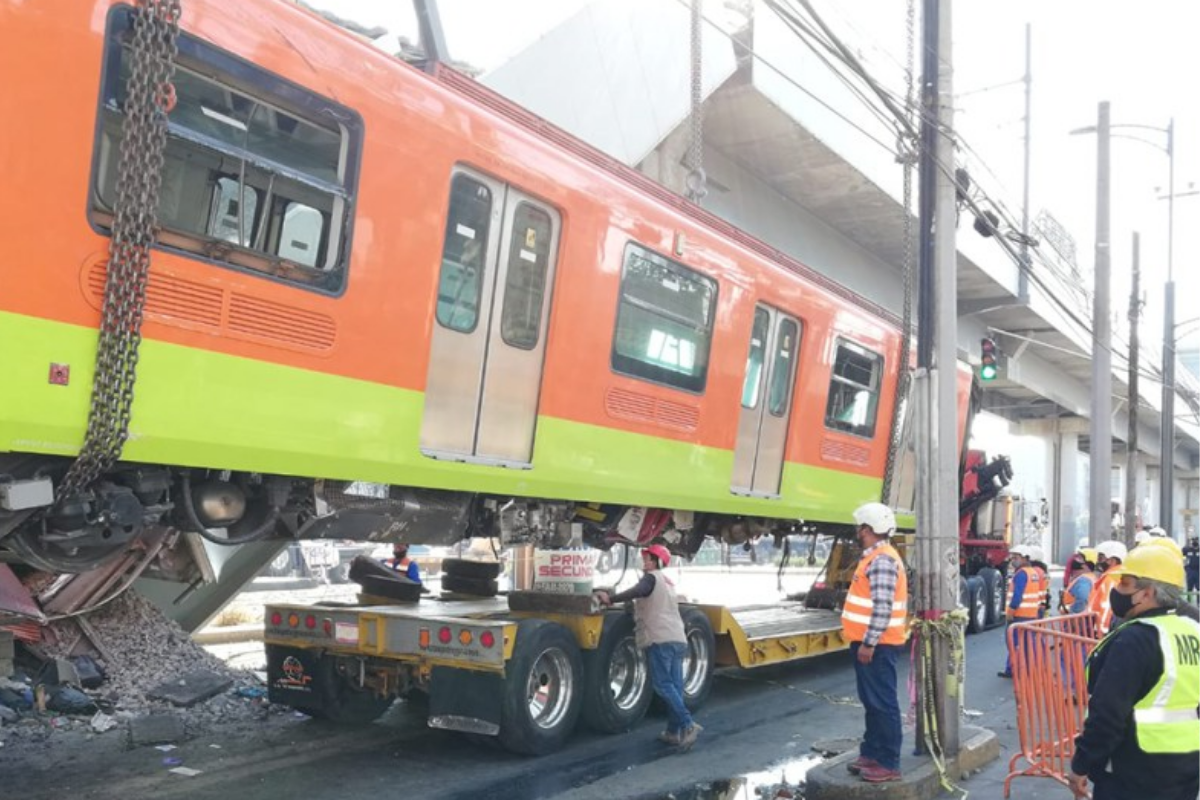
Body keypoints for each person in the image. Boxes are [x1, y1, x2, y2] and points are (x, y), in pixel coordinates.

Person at [1067, 545, 1200, 800]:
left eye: (1125, 584)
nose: (1117, 591)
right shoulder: (1192, 630)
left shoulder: (1136, 639)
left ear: (1147, 594)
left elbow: (1107, 714)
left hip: (1135, 771)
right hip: (1186, 768)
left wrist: (1082, 764)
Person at [593, 544, 701, 749]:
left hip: (661, 639)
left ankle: (688, 724)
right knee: (675, 687)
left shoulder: (651, 578)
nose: (645, 562)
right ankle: (673, 731)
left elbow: (638, 591)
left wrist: (611, 599)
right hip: (678, 638)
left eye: (649, 559)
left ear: (658, 562)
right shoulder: (667, 582)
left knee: (662, 685)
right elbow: (650, 601)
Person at [841, 502, 908, 784]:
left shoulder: (881, 560)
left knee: (883, 703)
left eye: (860, 527)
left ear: (867, 529)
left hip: (877, 645)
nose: (857, 531)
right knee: (872, 702)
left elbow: (882, 607)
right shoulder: (875, 557)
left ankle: (888, 762)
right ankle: (871, 753)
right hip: (871, 643)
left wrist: (868, 643)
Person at [999, 544, 1045, 678]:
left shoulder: (1021, 574)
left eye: (1016, 557)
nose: (1013, 560)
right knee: (1026, 645)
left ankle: (1017, 670)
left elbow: (1017, 597)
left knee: (1014, 645)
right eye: (1012, 557)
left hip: (1019, 616)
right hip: (1030, 615)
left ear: (1025, 558)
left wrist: (1010, 613)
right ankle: (1020, 670)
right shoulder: (1033, 573)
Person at [1087, 540, 1126, 636]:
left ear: (1112, 561)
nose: (1098, 562)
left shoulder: (1111, 578)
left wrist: (1101, 632)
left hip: (1104, 631)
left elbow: (1106, 605)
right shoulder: (1120, 574)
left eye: (1101, 558)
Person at [1060, 548, 1096, 614]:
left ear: (1085, 566)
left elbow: (1082, 599)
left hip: (1076, 620)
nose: (1076, 560)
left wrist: (1074, 613)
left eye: (1080, 559)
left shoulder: (1084, 580)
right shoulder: (1090, 577)